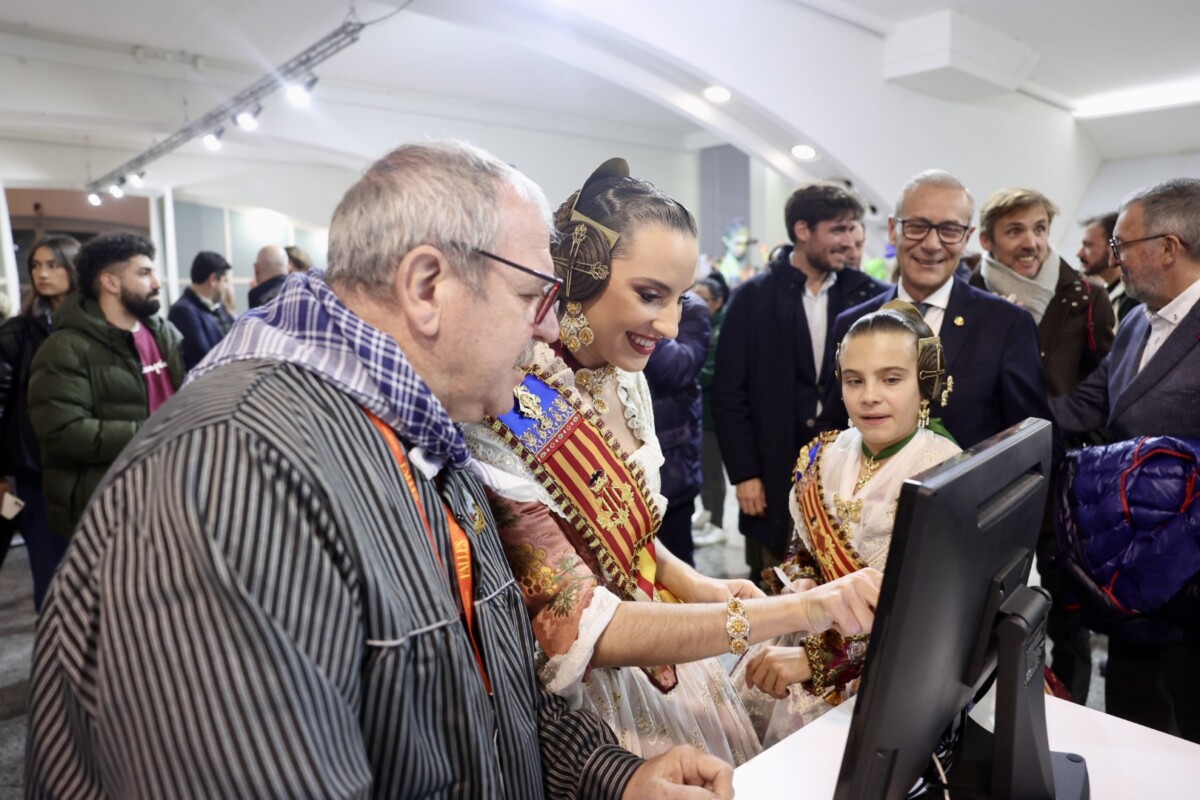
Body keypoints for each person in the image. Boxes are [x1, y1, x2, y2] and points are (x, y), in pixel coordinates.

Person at [24, 142, 739, 799]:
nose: (551, 331)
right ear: (427, 285)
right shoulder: (235, 473)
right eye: (533, 298)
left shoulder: (425, 434)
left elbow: (481, 687)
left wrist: (613, 776)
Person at [465, 158, 882, 766]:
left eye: (681, 299)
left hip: (658, 645)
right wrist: (796, 610)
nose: (669, 325)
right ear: (578, 275)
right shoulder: (507, 392)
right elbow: (578, 626)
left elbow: (625, 533)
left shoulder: (622, 374)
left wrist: (696, 583)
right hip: (580, 712)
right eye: (649, 295)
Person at [737, 302, 960, 743]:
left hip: (888, 668)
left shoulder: (947, 471)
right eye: (854, 380)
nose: (869, 396)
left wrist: (817, 661)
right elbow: (801, 550)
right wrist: (800, 581)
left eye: (891, 379)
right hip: (803, 629)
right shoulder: (822, 455)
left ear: (926, 383)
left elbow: (935, 615)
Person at [1050, 177, 1200, 743]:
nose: (1113, 259)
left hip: (1189, 591)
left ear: (1168, 246)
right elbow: (1090, 404)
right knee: (1137, 733)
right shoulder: (1139, 319)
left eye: (1121, 245)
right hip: (1131, 582)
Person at [714, 181, 888, 587]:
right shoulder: (751, 298)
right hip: (771, 475)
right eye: (838, 230)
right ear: (802, 230)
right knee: (773, 597)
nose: (849, 241)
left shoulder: (871, 296)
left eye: (853, 230)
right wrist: (744, 474)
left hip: (847, 478)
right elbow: (728, 395)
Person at [818, 170, 1050, 450]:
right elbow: (833, 424)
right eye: (917, 226)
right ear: (893, 230)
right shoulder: (851, 323)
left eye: (950, 230)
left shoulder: (1006, 324)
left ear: (967, 238)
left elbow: (1029, 442)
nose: (931, 244)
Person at [27, 232, 184, 540]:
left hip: (167, 491)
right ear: (110, 283)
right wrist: (156, 431)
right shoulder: (64, 348)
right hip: (106, 507)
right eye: (144, 273)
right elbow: (63, 432)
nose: (157, 283)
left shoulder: (166, 334)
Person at [971, 188, 1115, 398]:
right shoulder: (965, 300)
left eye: (1039, 229)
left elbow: (1105, 381)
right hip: (990, 430)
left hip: (1063, 429)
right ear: (986, 240)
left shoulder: (1088, 297)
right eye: (1014, 231)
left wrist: (1058, 420)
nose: (1031, 243)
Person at [0, 235, 79, 609]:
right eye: (36, 265)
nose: (42, 274)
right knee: (49, 579)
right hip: (35, 474)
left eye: (53, 264)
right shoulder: (18, 332)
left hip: (86, 468)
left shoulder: (94, 327)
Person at [643, 290, 710, 566]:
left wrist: (642, 326)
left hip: (672, 466)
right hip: (630, 461)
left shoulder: (691, 308)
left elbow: (678, 368)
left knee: (677, 565)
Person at [692, 274, 730, 546]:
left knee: (714, 469)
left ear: (718, 302)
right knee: (704, 465)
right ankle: (706, 510)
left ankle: (718, 521)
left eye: (703, 299)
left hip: (715, 412)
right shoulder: (703, 323)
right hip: (701, 411)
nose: (697, 303)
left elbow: (712, 371)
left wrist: (685, 370)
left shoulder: (723, 328)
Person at [168, 250, 236, 370]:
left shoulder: (218, 307)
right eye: (225, 280)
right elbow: (204, 357)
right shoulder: (183, 311)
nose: (227, 287)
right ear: (213, 280)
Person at [1079, 211, 1140, 324]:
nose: (1080, 254)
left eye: (1088, 246)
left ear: (1113, 247)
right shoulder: (1102, 296)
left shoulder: (1133, 299)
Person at [714, 219, 757, 286]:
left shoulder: (747, 267)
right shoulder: (722, 269)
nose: (742, 248)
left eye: (745, 243)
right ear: (726, 241)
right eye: (738, 243)